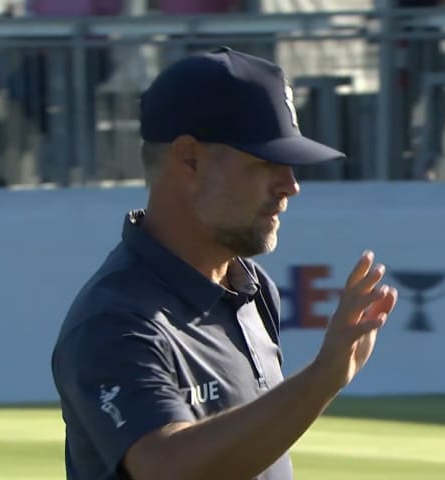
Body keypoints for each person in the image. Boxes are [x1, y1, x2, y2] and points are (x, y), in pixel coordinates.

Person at [51, 47, 398, 480]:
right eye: (267, 161)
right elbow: (164, 467)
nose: (291, 185)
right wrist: (321, 380)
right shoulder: (113, 320)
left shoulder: (253, 289)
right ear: (190, 159)